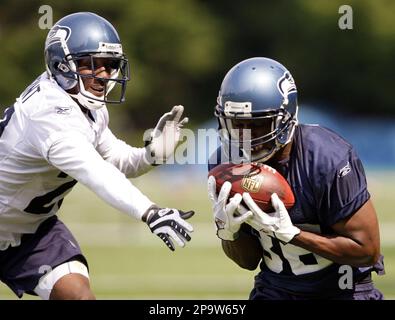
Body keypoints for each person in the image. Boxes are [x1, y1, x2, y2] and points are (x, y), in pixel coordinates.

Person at [0, 12, 194, 300]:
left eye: (110, 65)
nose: (103, 75)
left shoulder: (85, 104)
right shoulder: (48, 113)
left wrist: (152, 155)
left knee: (79, 296)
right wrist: (149, 211)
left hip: (31, 232)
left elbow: (115, 158)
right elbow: (97, 173)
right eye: (91, 65)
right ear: (61, 64)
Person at [207, 57, 385, 300]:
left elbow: (367, 250)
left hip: (342, 291)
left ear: (286, 117)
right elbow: (248, 261)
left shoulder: (326, 158)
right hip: (275, 290)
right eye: (236, 124)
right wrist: (229, 233)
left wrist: (293, 235)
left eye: (256, 124)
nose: (244, 137)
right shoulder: (226, 166)